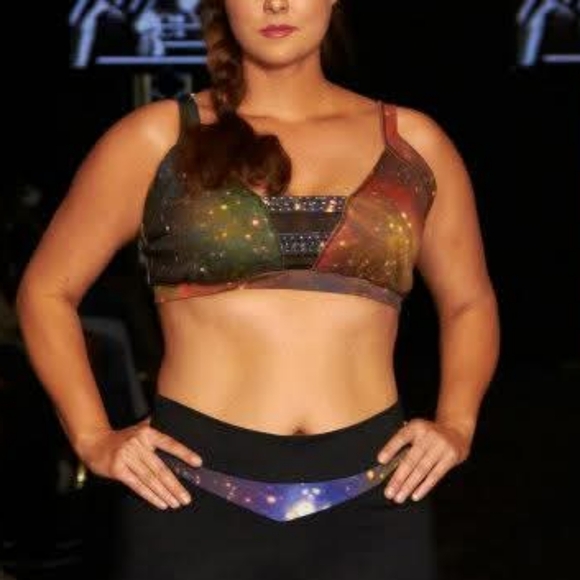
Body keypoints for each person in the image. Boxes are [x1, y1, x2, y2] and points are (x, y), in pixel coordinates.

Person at [17, 0, 500, 578]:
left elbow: (469, 302)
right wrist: (93, 437)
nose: (276, 4)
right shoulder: (157, 137)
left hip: (375, 501)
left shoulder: (413, 142)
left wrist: (457, 424)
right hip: (189, 497)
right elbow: (46, 290)